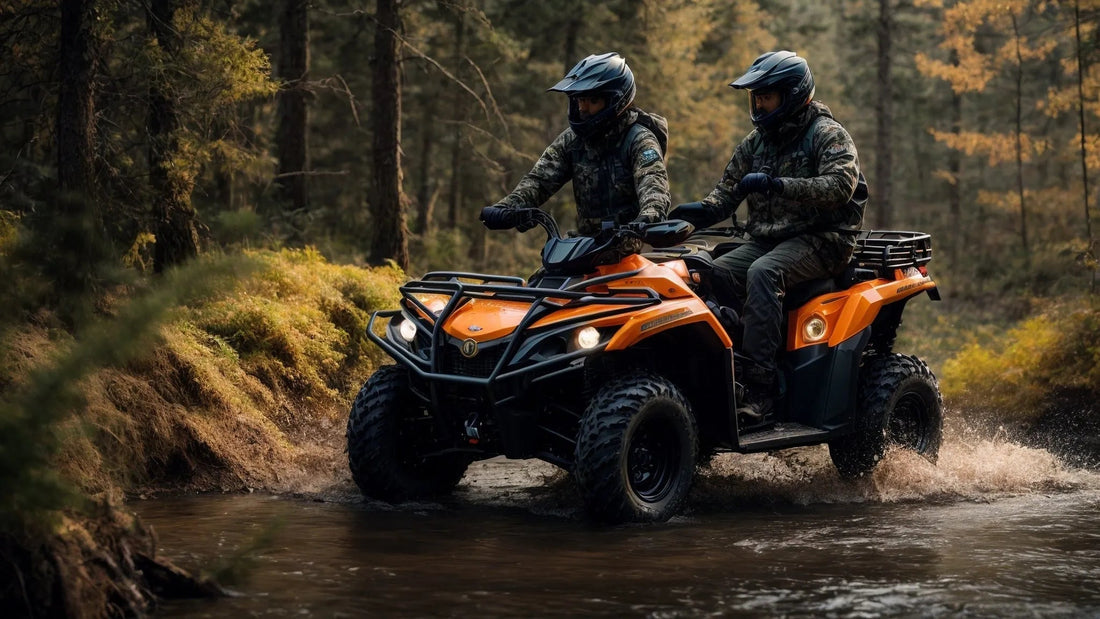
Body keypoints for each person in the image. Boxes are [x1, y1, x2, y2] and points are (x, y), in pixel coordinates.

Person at [693, 50, 866, 424]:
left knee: (763, 273)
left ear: (792, 95)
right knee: (713, 272)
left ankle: (762, 388)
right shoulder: (756, 142)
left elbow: (840, 186)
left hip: (824, 240)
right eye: (755, 96)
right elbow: (727, 191)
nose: (758, 104)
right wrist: (696, 213)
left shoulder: (826, 134)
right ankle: (729, 366)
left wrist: (780, 185)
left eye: (766, 96)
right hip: (771, 239)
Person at [481, 52, 670, 236]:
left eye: (592, 100)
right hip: (586, 245)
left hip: (636, 244)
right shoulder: (573, 140)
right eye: (580, 99)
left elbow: (653, 182)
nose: (582, 108)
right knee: (550, 259)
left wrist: (649, 216)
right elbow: (539, 180)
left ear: (616, 100)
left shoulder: (639, 140)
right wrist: (507, 208)